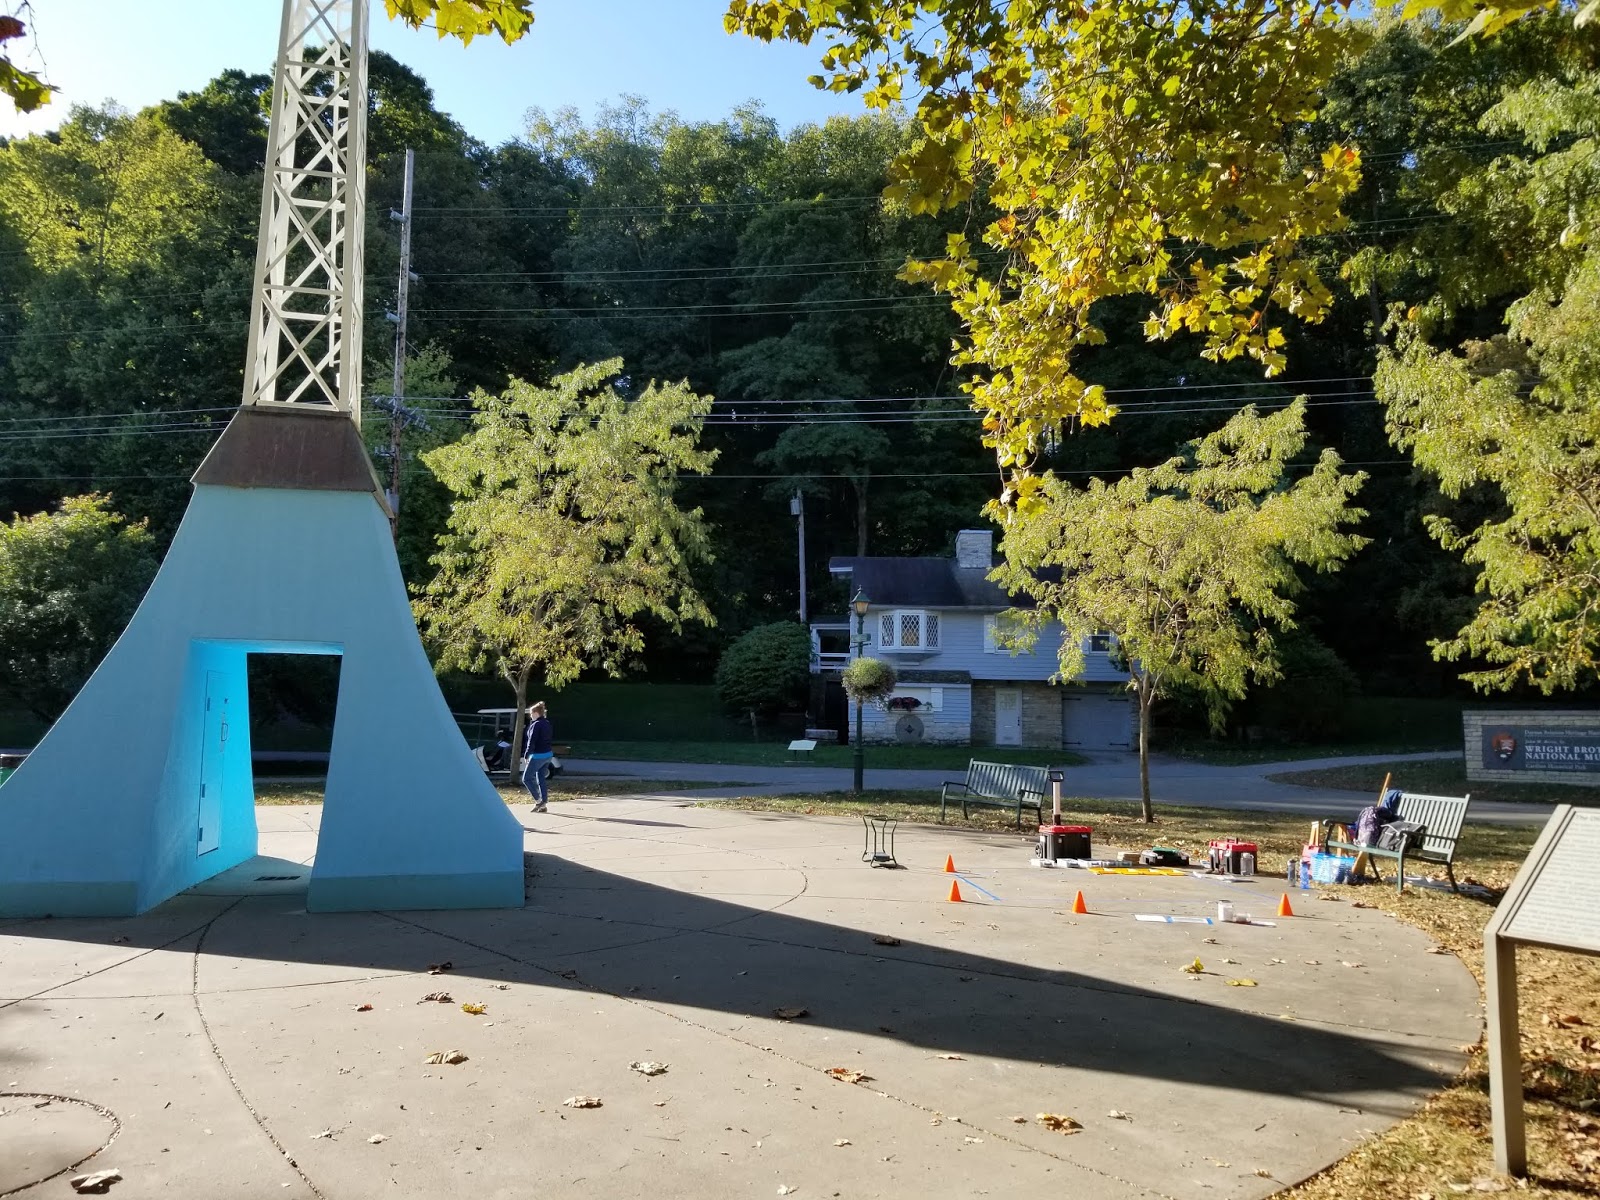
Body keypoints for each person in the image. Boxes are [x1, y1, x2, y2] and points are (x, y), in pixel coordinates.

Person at [522, 701, 554, 812]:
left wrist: (526, 755)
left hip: (537, 756)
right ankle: (543, 804)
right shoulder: (547, 723)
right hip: (548, 755)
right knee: (541, 779)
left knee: (526, 778)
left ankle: (538, 801)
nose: (530, 716)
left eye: (531, 713)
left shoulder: (535, 725)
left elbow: (531, 741)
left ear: (536, 713)